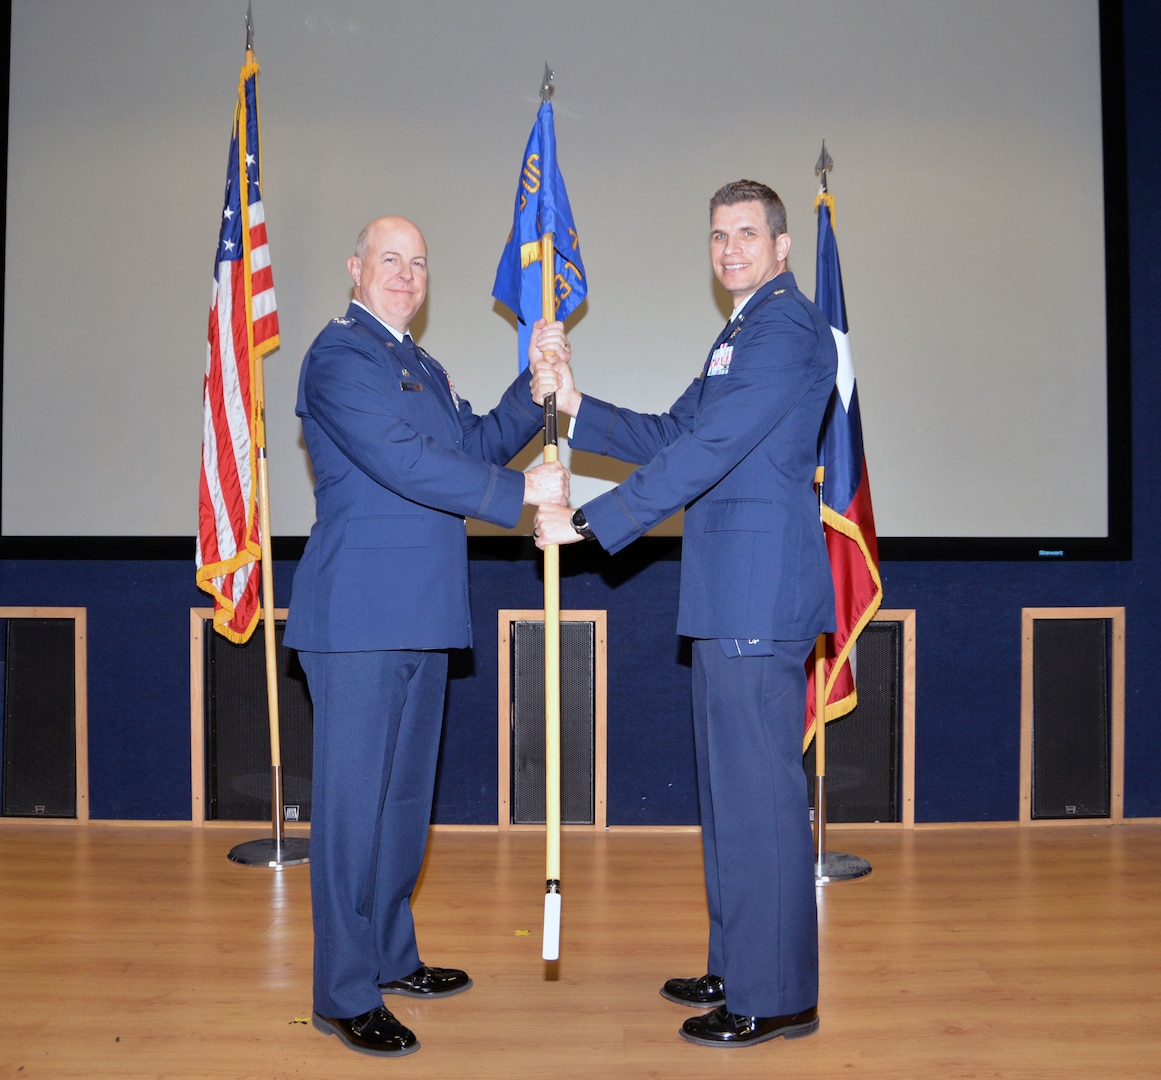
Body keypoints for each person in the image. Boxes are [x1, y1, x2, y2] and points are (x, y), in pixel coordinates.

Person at [534, 180, 837, 1048]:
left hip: (757, 590)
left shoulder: (783, 327)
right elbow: (674, 432)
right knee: (730, 795)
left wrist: (590, 523)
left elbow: (709, 450)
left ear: (781, 247)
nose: (730, 248)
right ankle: (740, 958)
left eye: (747, 234)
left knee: (760, 799)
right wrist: (575, 403)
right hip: (727, 590)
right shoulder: (740, 331)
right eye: (717, 235)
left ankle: (775, 995)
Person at [284, 215, 570, 1058]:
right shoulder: (338, 357)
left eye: (417, 263)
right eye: (390, 261)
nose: (406, 275)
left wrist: (534, 384)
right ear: (356, 269)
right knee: (350, 813)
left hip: (422, 613)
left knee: (403, 808)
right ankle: (342, 991)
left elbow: (471, 442)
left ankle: (389, 956)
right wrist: (524, 494)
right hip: (359, 618)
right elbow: (404, 461)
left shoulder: (424, 365)